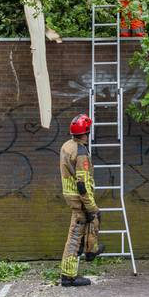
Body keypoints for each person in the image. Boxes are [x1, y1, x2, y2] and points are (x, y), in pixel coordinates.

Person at [58, 114, 100, 287]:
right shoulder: (81, 152)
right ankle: (68, 276)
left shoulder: (67, 146)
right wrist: (91, 207)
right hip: (79, 199)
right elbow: (82, 184)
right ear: (87, 132)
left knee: (79, 232)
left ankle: (92, 249)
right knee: (76, 236)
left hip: (72, 196)